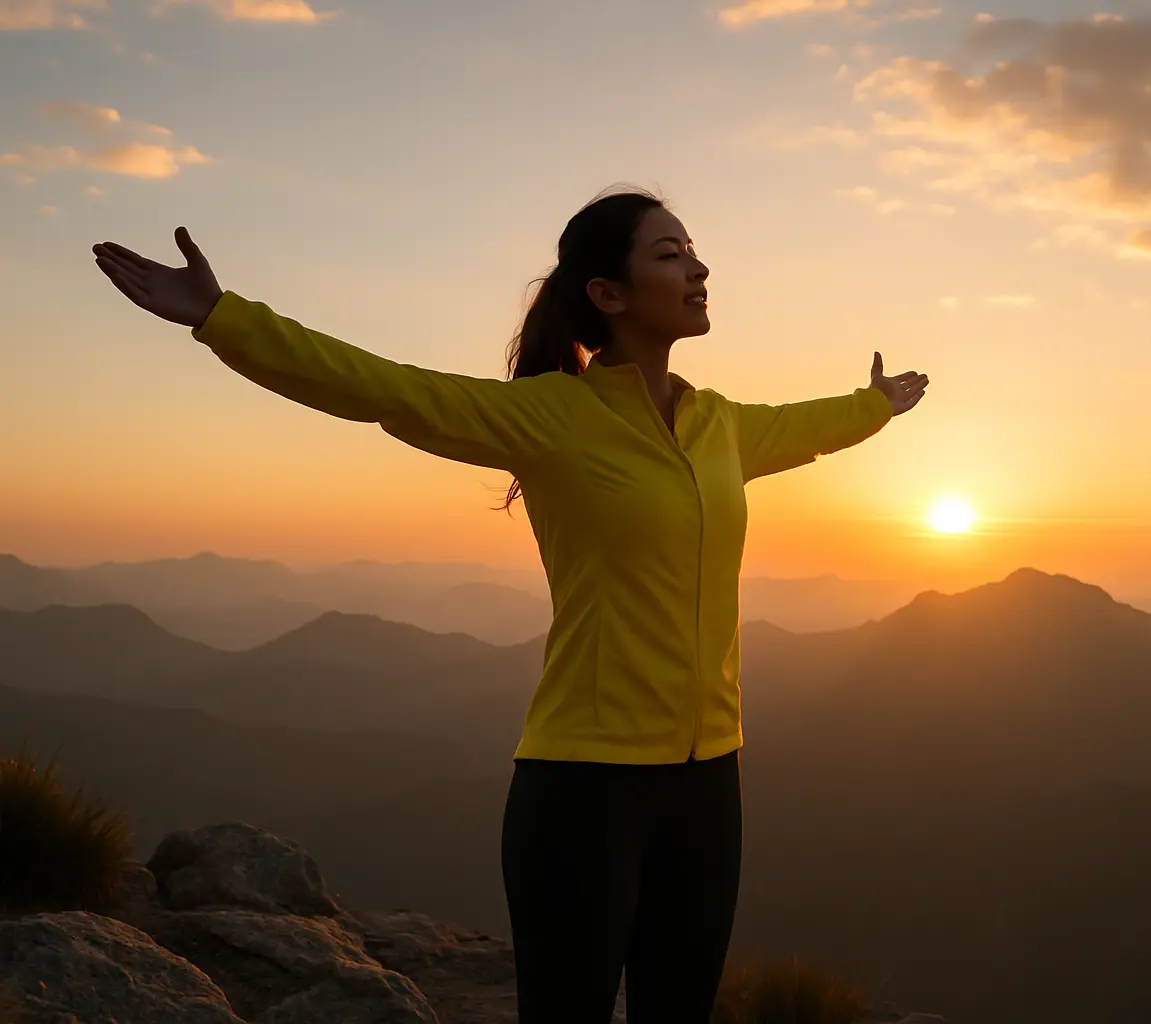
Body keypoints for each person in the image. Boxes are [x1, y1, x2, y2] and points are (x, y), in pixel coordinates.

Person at [91, 185, 929, 1024]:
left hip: (711, 784)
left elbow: (807, 423)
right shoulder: (550, 418)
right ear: (608, 294)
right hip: (584, 788)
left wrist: (876, 404)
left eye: (693, 250)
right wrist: (221, 318)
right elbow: (384, 388)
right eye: (670, 254)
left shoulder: (723, 427)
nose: (700, 267)